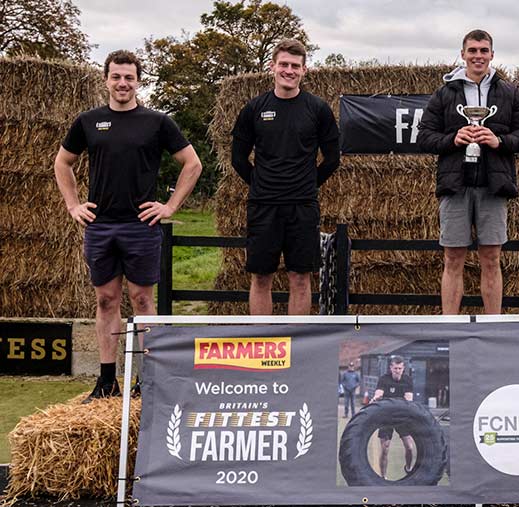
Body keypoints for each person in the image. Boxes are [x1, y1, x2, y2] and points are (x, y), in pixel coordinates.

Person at [54, 50, 202, 403]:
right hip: (101, 226)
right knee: (106, 300)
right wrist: (73, 204)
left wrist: (170, 206)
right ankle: (107, 382)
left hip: (140, 227)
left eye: (129, 77)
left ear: (138, 81)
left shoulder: (157, 122)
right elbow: (63, 162)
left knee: (142, 300)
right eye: (116, 76)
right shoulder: (89, 121)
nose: (122, 83)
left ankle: (147, 381)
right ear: (105, 79)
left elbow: (192, 164)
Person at [418, 29, 519, 315]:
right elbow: (424, 137)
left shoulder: (509, 92)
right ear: (463, 54)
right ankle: (450, 326)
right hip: (455, 186)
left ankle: (493, 326)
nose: (478, 56)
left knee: (492, 258)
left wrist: (500, 141)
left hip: (494, 186)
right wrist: (452, 140)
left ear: (492, 55)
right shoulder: (445, 93)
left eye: (483, 50)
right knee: (453, 258)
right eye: (472, 50)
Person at [231, 39, 340, 315]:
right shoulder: (254, 109)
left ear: (304, 70)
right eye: (283, 64)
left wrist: (306, 184)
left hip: (302, 207)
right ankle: (262, 341)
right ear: (272, 67)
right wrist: (260, 183)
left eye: (295, 66)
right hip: (263, 205)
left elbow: (332, 158)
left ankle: (295, 348)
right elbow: (238, 159)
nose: (288, 70)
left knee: (300, 278)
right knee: (260, 277)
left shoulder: (318, 109)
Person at [371, 356, 415, 477]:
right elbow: (379, 393)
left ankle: (408, 468)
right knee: (385, 448)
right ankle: (383, 477)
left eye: (400, 368)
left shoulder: (408, 380)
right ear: (391, 368)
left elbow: (409, 399)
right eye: (395, 368)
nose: (397, 371)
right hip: (386, 417)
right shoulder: (383, 379)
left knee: (410, 447)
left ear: (403, 368)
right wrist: (376, 398)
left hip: (402, 416)